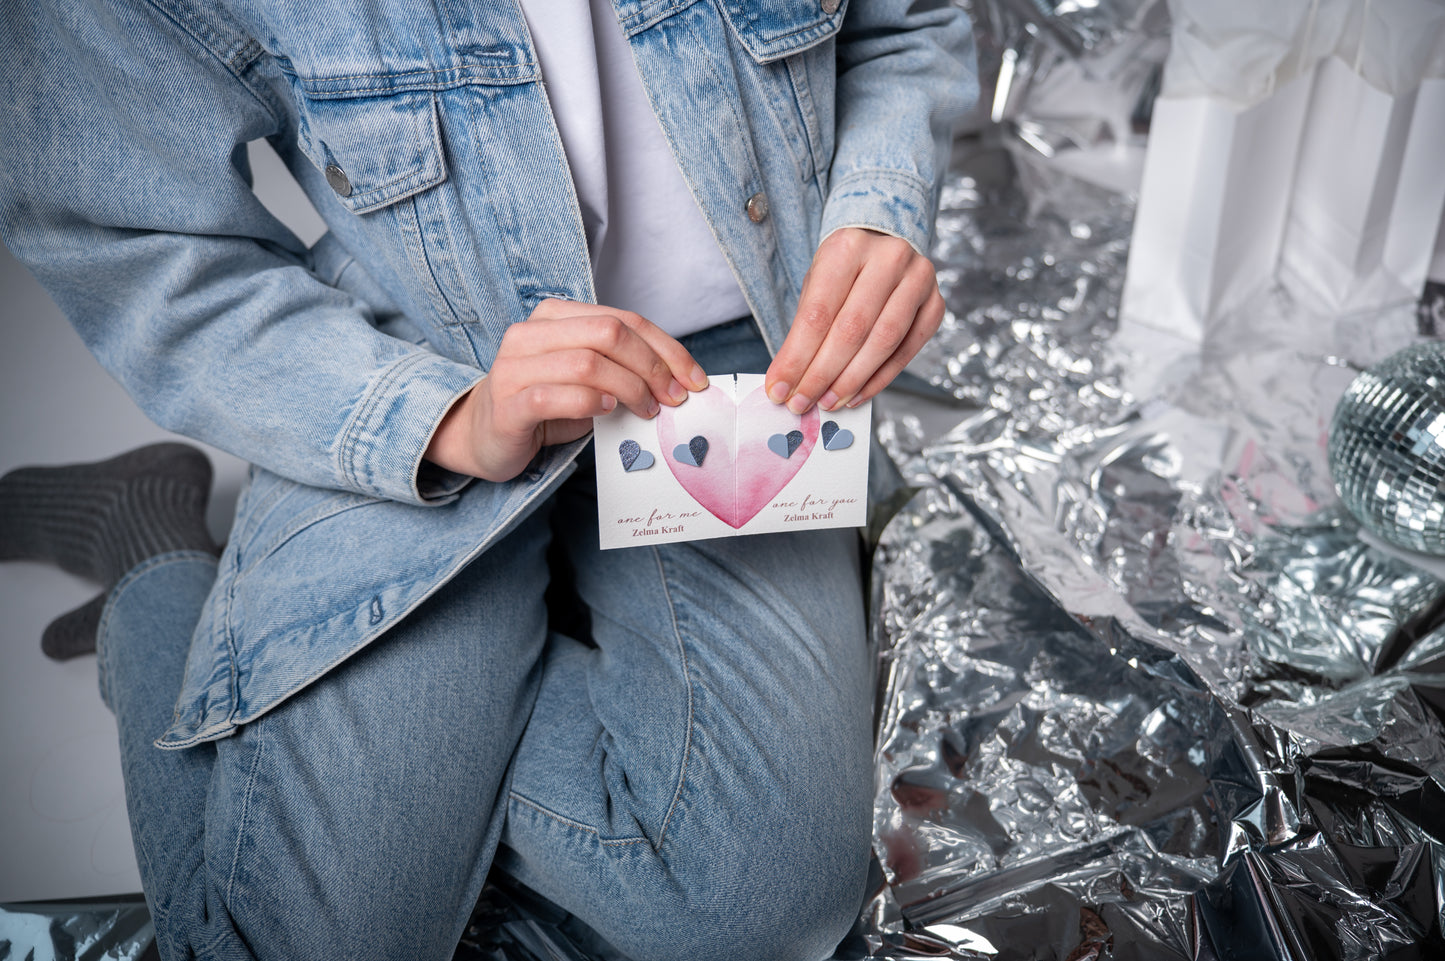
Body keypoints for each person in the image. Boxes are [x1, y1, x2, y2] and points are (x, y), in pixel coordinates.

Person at [0, 0, 976, 957]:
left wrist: (881, 203)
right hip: (413, 365)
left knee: (753, 915)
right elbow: (128, 236)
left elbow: (901, 26)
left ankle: (468, 648)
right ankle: (146, 537)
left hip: (732, 364)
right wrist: (440, 419)